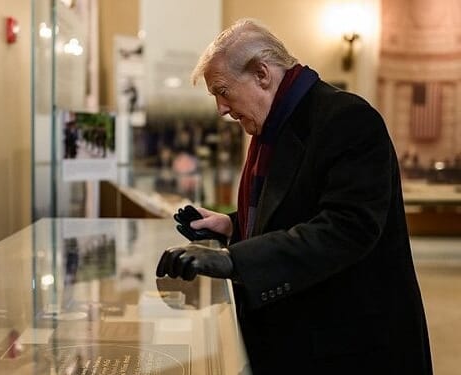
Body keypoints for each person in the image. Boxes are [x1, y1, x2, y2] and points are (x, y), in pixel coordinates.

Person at [155, 19, 432, 374]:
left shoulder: (348, 119)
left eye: (222, 91)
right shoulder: (277, 124)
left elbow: (347, 229)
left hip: (352, 347)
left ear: (262, 74)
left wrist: (236, 261)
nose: (221, 109)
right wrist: (230, 224)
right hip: (304, 339)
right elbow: (293, 209)